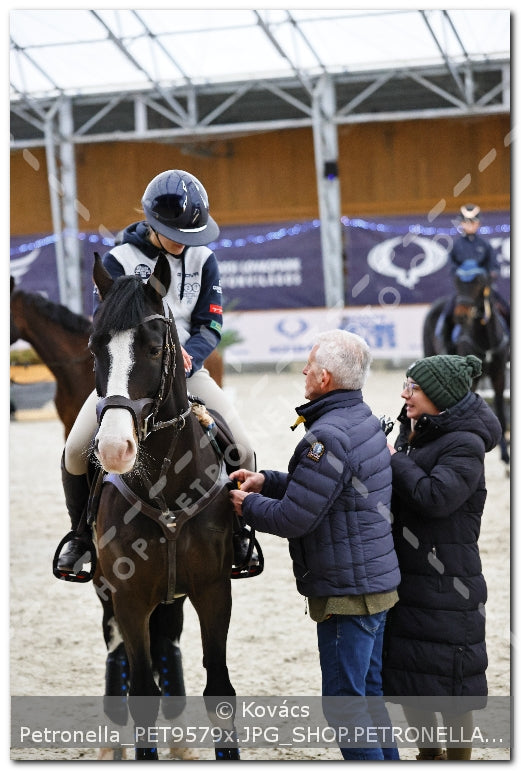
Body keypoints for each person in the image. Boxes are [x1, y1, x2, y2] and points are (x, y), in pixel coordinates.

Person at [56, 169, 257, 576]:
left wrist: (189, 356)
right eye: (176, 235)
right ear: (152, 223)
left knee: (245, 449)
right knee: (76, 453)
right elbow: (107, 328)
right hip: (129, 376)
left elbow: (211, 324)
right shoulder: (118, 261)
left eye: (192, 236)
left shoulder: (205, 260)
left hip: (188, 370)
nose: (185, 244)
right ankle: (80, 536)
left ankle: (240, 536)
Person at [229, 329, 401, 760]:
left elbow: (296, 518)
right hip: (376, 585)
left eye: (309, 365)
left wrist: (248, 505)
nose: (303, 370)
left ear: (324, 378)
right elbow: (330, 490)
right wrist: (268, 481)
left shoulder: (325, 437)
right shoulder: (360, 419)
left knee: (345, 710)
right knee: (369, 697)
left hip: (348, 596)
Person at [382, 354, 502, 761]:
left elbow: (434, 498)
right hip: (409, 577)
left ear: (440, 395)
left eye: (413, 388)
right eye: (406, 385)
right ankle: (427, 756)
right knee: (413, 675)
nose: (404, 394)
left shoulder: (465, 445)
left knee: (453, 686)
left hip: (449, 581)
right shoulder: (414, 433)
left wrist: (395, 459)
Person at [436, 204, 510, 352]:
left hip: (483, 289)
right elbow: (451, 266)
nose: (469, 225)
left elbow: (493, 266)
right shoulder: (457, 245)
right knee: (447, 313)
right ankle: (445, 345)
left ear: (478, 223)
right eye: (466, 222)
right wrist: (461, 273)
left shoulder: (484, 245)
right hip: (463, 292)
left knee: (506, 309)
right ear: (461, 224)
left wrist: (487, 276)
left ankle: (508, 346)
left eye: (473, 222)